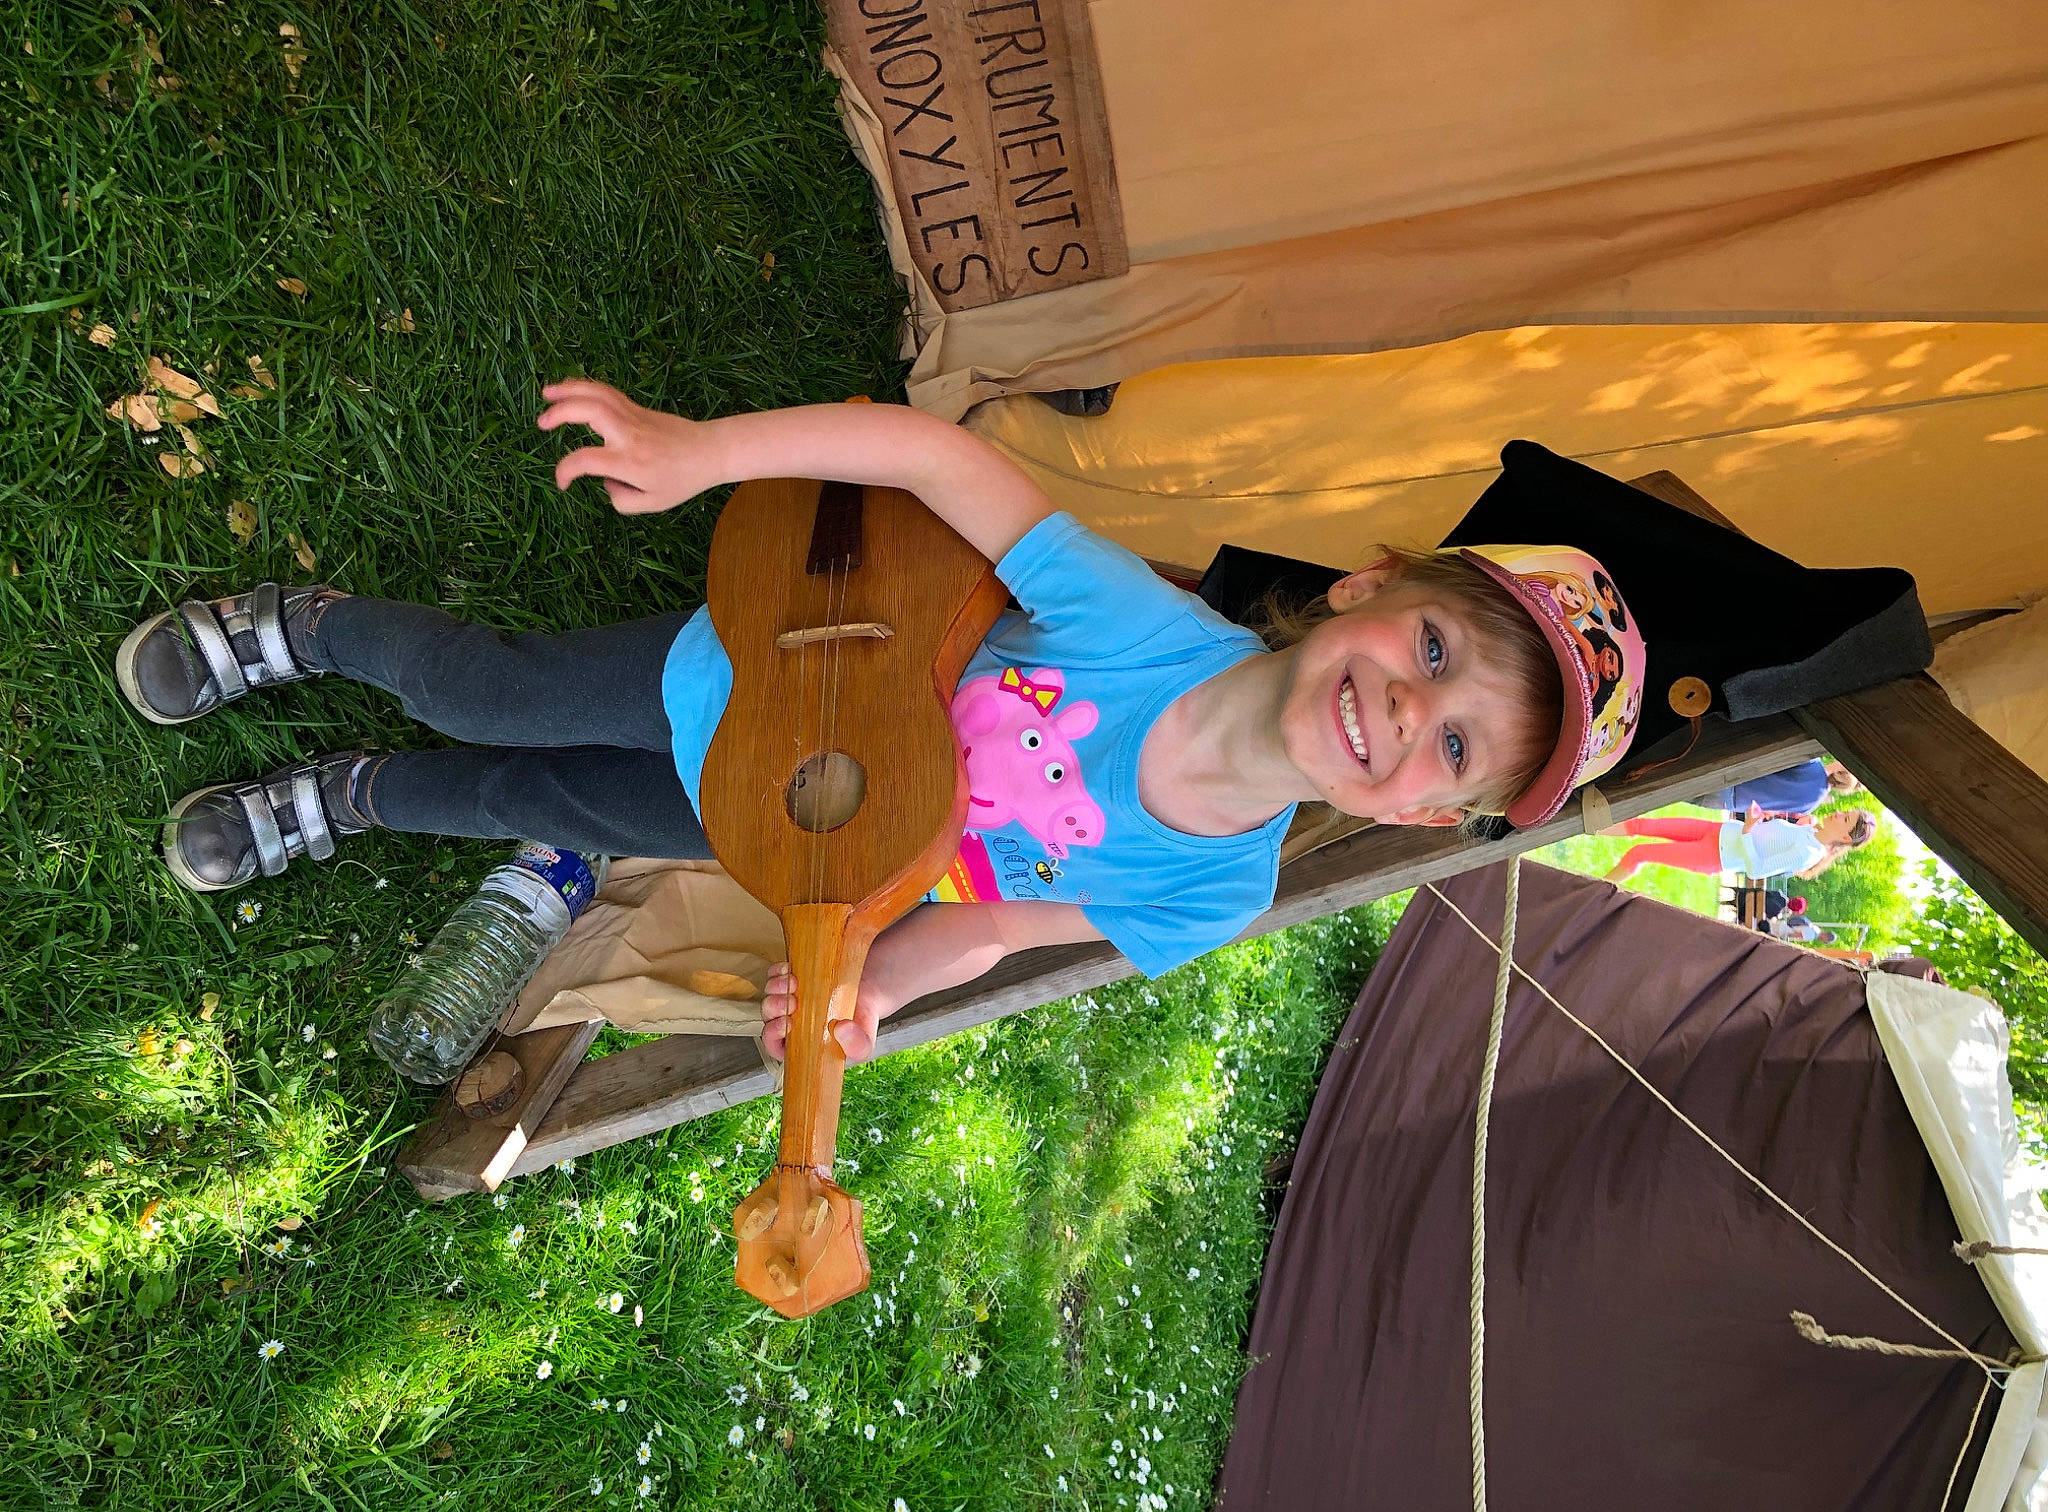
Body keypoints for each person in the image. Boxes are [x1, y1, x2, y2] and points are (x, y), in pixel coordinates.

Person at [115, 380, 1646, 1061]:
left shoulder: (1211, 893)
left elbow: (983, 931)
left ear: (1426, 820)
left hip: (790, 837)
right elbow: (927, 458)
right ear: (1371, 586)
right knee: (492, 686)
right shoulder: (1143, 634)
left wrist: (864, 994)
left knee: (549, 802)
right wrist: (702, 450)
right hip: (738, 680)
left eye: (1455, 747)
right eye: (1435, 643)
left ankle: (354, 797)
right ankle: (299, 632)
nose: (1408, 707)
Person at [1604, 806, 1877, 883]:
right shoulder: (1808, 833)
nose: (1839, 814)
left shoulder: (1807, 854)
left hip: (1712, 855)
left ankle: (1592, 890)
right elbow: (1765, 838)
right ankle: (1585, 829)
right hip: (1718, 830)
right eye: (1845, 812)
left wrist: (1748, 830)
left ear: (1844, 837)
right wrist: (1758, 820)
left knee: (1639, 853)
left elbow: (1756, 871)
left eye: (1845, 819)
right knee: (1642, 825)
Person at [1698, 759, 1859, 816]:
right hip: (1732, 803)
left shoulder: (1811, 764)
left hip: (1732, 780)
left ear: (1841, 768)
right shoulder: (1812, 805)